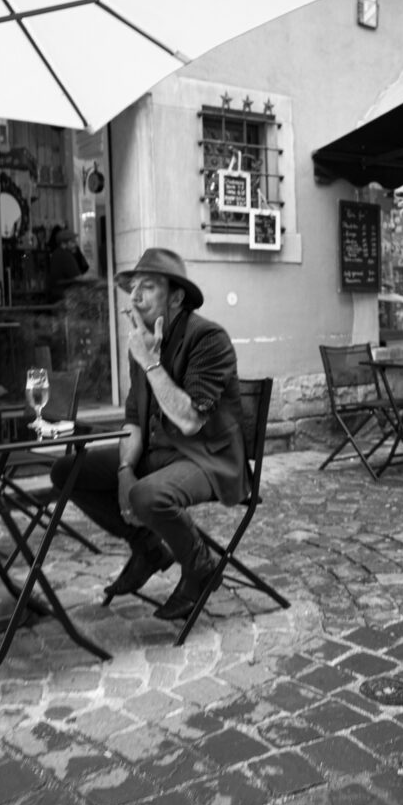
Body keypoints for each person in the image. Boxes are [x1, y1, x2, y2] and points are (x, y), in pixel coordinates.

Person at [50, 248, 247, 620]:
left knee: (147, 495)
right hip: (159, 454)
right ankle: (148, 547)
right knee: (68, 470)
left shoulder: (207, 338)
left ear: (176, 297)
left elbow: (190, 421)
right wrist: (125, 468)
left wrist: (151, 363)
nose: (135, 296)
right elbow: (134, 420)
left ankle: (201, 567)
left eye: (148, 287)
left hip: (208, 458)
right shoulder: (141, 344)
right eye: (133, 288)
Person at [48, 227, 89, 300]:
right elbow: (78, 278)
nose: (76, 244)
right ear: (63, 244)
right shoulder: (66, 256)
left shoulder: (56, 253)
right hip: (66, 295)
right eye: (72, 242)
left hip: (57, 292)